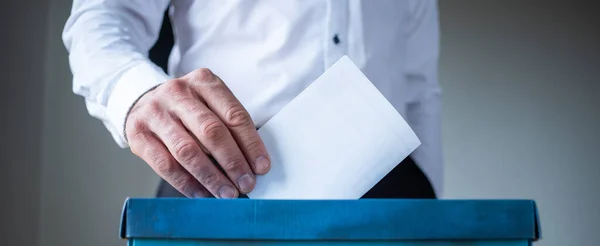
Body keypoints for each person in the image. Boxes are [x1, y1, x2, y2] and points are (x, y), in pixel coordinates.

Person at [62, 0, 443, 199]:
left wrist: (429, 203)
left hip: (390, 188)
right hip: (227, 178)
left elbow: (419, 85)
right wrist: (135, 93)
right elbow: (101, 17)